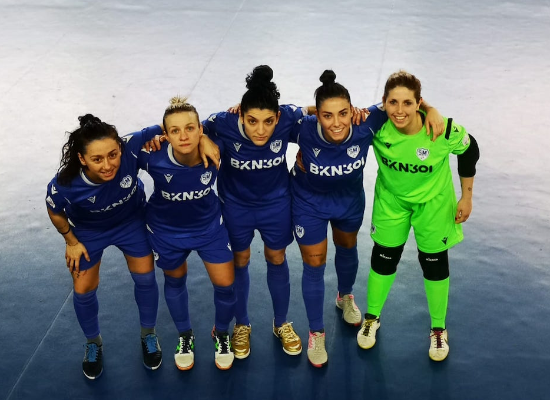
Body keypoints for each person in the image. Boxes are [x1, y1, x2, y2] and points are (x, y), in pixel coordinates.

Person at [291, 70, 444, 367]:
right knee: (314, 263)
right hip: (309, 204)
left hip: (348, 202)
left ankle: (345, 297)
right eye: (327, 115)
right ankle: (316, 332)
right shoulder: (303, 128)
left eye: (343, 113)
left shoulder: (367, 122)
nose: (337, 123)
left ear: (353, 110)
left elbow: (401, 103)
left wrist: (431, 109)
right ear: (317, 115)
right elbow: (266, 117)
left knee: (347, 247)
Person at [356, 70, 479, 362]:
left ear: (419, 103)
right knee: (383, 258)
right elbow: (339, 119)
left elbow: (469, 150)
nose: (399, 111)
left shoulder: (441, 129)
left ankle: (438, 329)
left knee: (434, 263)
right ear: (383, 102)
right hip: (392, 202)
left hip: (433, 204)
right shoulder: (377, 126)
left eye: (408, 103)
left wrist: (467, 196)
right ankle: (371, 318)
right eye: (393, 102)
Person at [201, 65, 309, 359]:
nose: (260, 130)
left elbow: (314, 111)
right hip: (236, 206)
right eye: (252, 121)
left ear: (277, 117)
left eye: (268, 122)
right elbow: (192, 128)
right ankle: (242, 324)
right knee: (240, 260)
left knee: (277, 257)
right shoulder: (223, 122)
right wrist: (203, 138)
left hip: (276, 204)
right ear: (240, 116)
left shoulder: (288, 116)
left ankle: (281, 323)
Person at [45, 115, 164, 379]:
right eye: (97, 159)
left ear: (120, 148)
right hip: (89, 230)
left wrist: (200, 140)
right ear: (82, 159)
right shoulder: (65, 183)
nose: (108, 165)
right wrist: (71, 242)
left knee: (146, 278)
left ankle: (149, 334)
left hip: (131, 221)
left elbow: (172, 126)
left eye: (113, 155)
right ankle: (93, 343)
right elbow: (54, 211)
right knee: (83, 289)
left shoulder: (132, 145)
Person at [138, 97, 236, 371]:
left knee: (226, 285)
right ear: (165, 135)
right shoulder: (152, 155)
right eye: (175, 130)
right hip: (166, 232)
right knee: (175, 280)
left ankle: (221, 333)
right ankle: (185, 336)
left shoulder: (216, 148)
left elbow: (239, 122)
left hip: (209, 228)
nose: (183, 136)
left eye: (190, 128)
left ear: (200, 129)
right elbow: (120, 154)